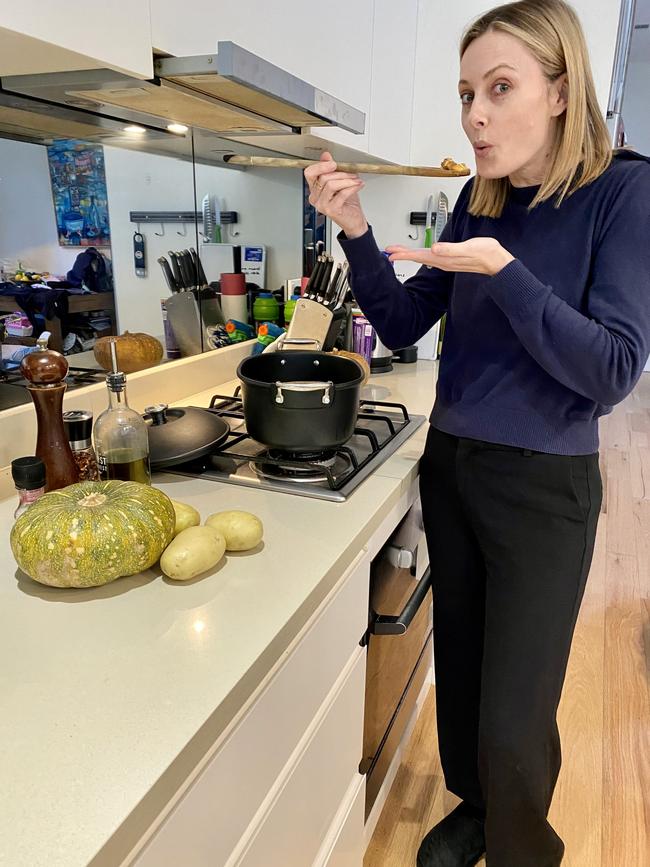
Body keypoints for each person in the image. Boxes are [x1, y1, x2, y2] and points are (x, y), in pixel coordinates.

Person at [304, 1, 650, 865]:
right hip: (454, 466)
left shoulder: (624, 191)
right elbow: (405, 323)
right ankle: (477, 810)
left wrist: (507, 272)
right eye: (466, 92)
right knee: (459, 677)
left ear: (563, 91)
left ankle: (526, 844)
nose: (476, 115)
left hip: (545, 486)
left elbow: (612, 369)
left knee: (515, 709)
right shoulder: (477, 196)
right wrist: (356, 230)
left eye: (501, 88)